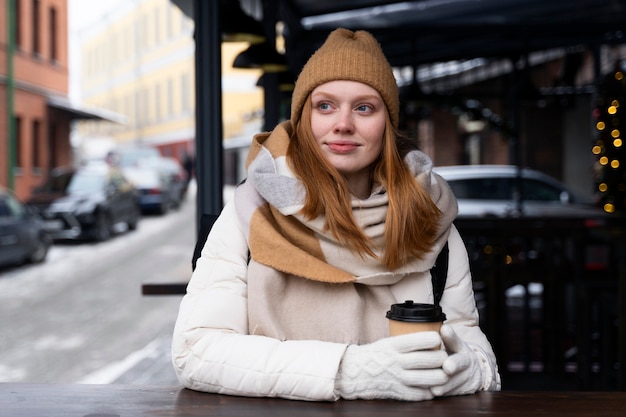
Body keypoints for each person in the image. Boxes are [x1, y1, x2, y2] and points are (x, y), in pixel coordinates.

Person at [172, 28, 500, 401]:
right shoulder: (250, 214)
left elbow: (473, 347)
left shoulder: (430, 219)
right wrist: (348, 372)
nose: (343, 123)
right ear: (303, 119)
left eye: (364, 107)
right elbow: (195, 351)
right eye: (325, 105)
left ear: (386, 124)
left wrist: (473, 370)